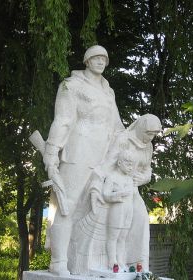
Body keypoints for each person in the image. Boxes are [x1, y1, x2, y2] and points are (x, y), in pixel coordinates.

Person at [42, 45, 125, 275]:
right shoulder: (72, 86)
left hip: (104, 156)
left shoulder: (109, 92)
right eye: (95, 57)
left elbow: (118, 126)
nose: (100, 61)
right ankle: (58, 262)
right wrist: (51, 153)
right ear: (86, 61)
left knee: (93, 208)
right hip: (78, 151)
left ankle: (83, 262)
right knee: (68, 206)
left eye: (104, 58)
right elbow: (63, 121)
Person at [70, 114, 162, 275]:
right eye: (149, 133)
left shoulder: (148, 147)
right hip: (114, 190)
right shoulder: (123, 139)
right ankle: (109, 263)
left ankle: (136, 265)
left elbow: (147, 169)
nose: (151, 137)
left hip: (132, 192)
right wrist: (96, 187)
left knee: (141, 218)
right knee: (111, 231)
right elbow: (106, 165)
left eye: (154, 134)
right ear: (140, 128)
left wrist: (145, 177)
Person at [103, 150, 137, 270]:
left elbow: (133, 195)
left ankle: (121, 260)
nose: (130, 167)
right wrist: (119, 193)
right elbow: (105, 195)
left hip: (128, 209)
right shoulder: (111, 177)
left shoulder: (129, 179)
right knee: (113, 237)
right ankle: (112, 261)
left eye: (132, 165)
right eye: (128, 164)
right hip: (117, 209)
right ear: (119, 163)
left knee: (122, 237)